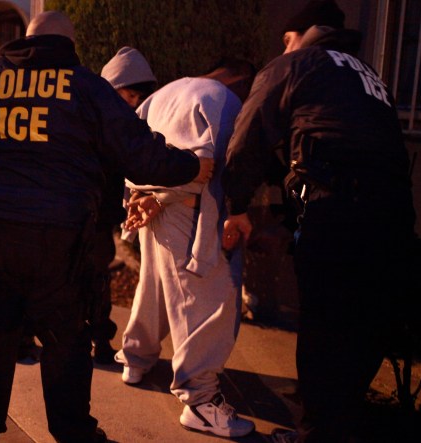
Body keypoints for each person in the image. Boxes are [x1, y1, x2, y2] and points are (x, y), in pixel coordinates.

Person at [0, 11, 212, 443]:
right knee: (65, 342)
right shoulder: (87, 88)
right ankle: (74, 433)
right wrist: (193, 165)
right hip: (59, 236)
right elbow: (140, 152)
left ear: (25, 40)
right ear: (69, 45)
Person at [221, 1, 416, 442]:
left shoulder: (298, 63)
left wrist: (236, 206)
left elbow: (248, 137)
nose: (283, 47)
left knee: (323, 328)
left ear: (302, 34)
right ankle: (336, 427)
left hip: (337, 213)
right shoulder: (368, 75)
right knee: (361, 329)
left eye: (286, 40)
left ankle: (314, 434)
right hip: (393, 217)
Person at [114, 57, 257, 438]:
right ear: (238, 77)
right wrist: (163, 197)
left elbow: (130, 150)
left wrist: (144, 197)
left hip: (151, 207)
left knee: (155, 287)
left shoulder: (160, 95)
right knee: (210, 303)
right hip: (191, 213)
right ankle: (200, 401)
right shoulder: (224, 100)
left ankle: (136, 359)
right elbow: (210, 164)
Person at [18, 46, 158, 365]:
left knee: (96, 282)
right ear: (112, 87)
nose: (133, 103)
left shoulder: (121, 124)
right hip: (62, 215)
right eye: (128, 94)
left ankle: (99, 340)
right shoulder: (77, 112)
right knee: (47, 279)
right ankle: (28, 337)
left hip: (96, 219)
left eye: (138, 97)